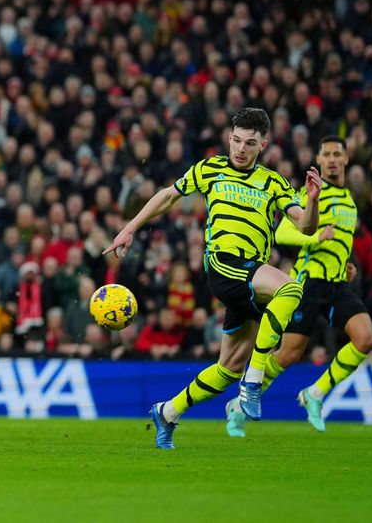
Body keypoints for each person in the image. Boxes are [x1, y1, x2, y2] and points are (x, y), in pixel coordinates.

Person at [105, 108, 322, 449]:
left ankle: (168, 411)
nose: (240, 148)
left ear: (262, 144)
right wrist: (129, 228)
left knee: (227, 369)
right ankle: (253, 383)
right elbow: (168, 195)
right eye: (236, 140)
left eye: (250, 143)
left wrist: (313, 201)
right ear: (229, 137)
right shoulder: (211, 168)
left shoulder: (273, 182)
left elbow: (306, 225)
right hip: (223, 264)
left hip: (250, 278)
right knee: (292, 288)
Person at [226, 136, 372, 436]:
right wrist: (315, 238)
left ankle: (315, 394)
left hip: (335, 284)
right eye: (327, 155)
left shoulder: (349, 201)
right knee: (288, 355)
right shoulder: (311, 194)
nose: (332, 159)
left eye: (338, 154)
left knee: (365, 339)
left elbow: (341, 240)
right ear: (318, 161)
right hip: (306, 283)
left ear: (346, 160)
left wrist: (344, 263)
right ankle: (239, 405)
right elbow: (283, 232)